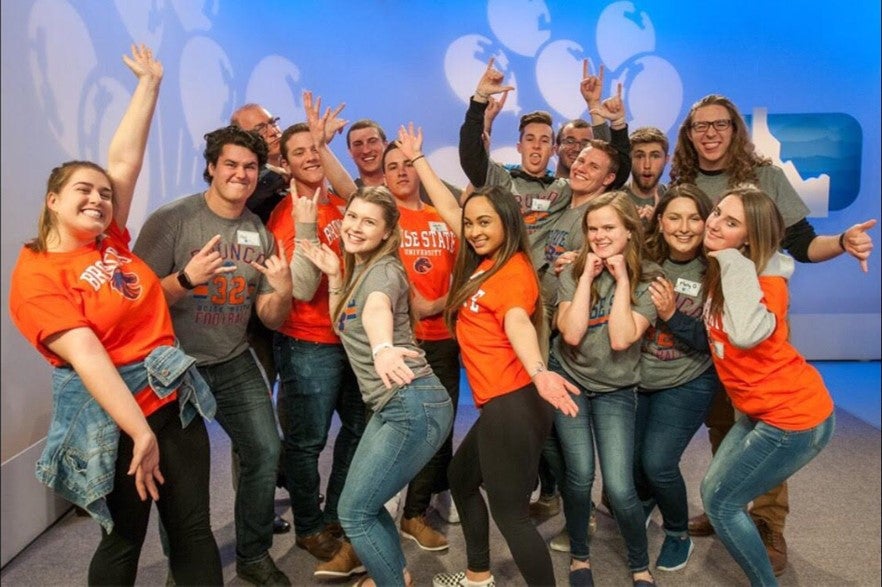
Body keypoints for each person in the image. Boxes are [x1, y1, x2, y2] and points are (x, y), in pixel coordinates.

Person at [8, 45, 223, 586]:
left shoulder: (110, 241)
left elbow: (124, 160)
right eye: (84, 190)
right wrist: (140, 434)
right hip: (114, 417)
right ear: (52, 200)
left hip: (171, 399)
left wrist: (150, 84)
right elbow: (88, 359)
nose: (100, 199)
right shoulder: (36, 278)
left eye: (105, 195)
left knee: (193, 528)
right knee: (124, 539)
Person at [670, 93, 875, 575]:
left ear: (734, 129)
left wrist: (842, 242)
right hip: (708, 316)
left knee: (767, 419)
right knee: (725, 421)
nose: (710, 133)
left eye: (720, 124)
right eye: (700, 126)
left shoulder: (765, 178)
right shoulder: (683, 182)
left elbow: (801, 244)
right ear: (689, 135)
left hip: (750, 317)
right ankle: (730, 502)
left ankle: (767, 524)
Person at [399, 123, 580, 587]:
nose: (475, 230)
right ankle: (479, 576)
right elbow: (447, 205)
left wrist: (539, 370)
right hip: (501, 402)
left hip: (516, 401)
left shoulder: (514, 272)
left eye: (486, 223)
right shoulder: (482, 264)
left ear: (508, 225)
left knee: (511, 515)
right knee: (462, 478)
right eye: (472, 223)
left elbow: (518, 321)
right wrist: (420, 160)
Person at [133, 123, 293, 585]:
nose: (240, 174)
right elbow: (135, 302)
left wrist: (280, 291)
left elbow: (270, 317)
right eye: (231, 165)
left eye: (250, 167)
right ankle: (185, 566)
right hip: (173, 366)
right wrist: (185, 279)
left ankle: (254, 554)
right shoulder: (173, 220)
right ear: (211, 168)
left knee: (265, 450)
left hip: (232, 359)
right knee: (182, 479)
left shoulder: (257, 232)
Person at [298, 186, 455, 587]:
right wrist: (334, 275)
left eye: (369, 222)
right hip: (396, 404)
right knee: (361, 505)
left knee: (355, 512)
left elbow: (376, 310)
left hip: (412, 404)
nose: (354, 227)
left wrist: (384, 347)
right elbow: (346, 318)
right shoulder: (361, 269)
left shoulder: (384, 271)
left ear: (387, 233)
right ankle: (395, 574)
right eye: (352, 216)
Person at [701, 187, 836, 586]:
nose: (714, 223)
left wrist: (729, 257)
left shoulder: (762, 283)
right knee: (714, 492)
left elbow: (743, 335)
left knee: (722, 504)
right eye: (718, 213)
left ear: (750, 238)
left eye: (731, 223)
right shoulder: (730, 270)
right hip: (759, 411)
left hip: (794, 419)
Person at [266, 92, 367, 580]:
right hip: (307, 343)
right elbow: (303, 286)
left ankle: (334, 516)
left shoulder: (340, 202)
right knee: (306, 443)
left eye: (316, 150)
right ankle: (309, 524)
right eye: (300, 152)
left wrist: (325, 144)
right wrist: (306, 227)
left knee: (358, 429)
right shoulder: (287, 216)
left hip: (351, 340)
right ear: (284, 165)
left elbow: (354, 192)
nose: (310, 157)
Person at [550, 191, 659, 586]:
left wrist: (623, 279)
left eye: (609, 227)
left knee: (618, 485)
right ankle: (580, 558)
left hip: (616, 390)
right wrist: (585, 278)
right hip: (572, 382)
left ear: (630, 230)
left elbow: (620, 338)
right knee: (578, 477)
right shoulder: (571, 272)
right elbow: (573, 333)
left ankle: (639, 564)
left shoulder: (650, 278)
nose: (599, 235)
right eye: (592, 228)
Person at [633, 185, 722, 572]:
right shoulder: (644, 259)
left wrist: (673, 315)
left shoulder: (719, 268)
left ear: (707, 222)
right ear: (659, 221)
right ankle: (648, 500)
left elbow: (717, 341)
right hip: (639, 377)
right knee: (634, 465)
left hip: (689, 379)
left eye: (694, 218)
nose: (684, 228)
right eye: (674, 217)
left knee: (658, 463)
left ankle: (676, 533)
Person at [381, 141, 462, 549]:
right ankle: (383, 510)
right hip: (399, 344)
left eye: (407, 164)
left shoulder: (441, 217)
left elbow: (466, 276)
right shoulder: (384, 222)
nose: (401, 171)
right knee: (400, 429)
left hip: (444, 339)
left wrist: (438, 303)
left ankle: (416, 512)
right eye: (391, 166)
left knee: (439, 428)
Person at [230, 101, 293, 535]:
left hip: (304, 317)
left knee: (297, 409)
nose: (270, 131)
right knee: (252, 419)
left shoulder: (297, 166)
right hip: (255, 319)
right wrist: (279, 175)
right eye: (259, 127)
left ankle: (288, 480)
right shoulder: (250, 182)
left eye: (272, 122)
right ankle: (256, 508)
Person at [625, 126, 669, 223]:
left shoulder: (673, 200)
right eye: (640, 156)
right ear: (629, 159)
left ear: (666, 160)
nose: (647, 165)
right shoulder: (614, 198)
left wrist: (658, 227)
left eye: (655, 156)